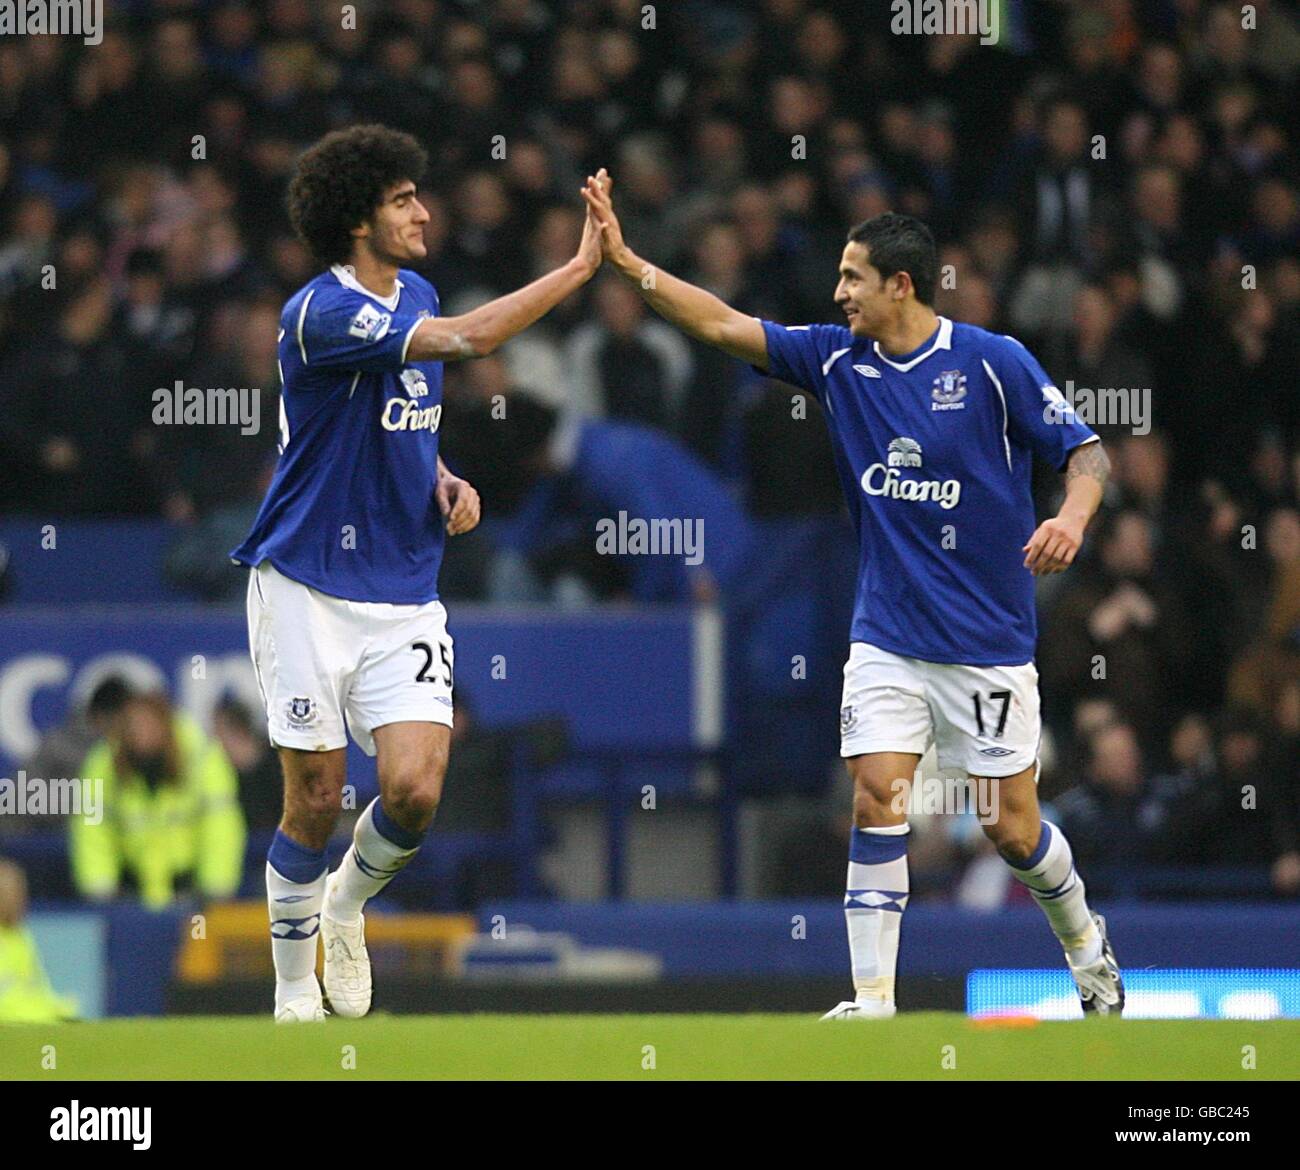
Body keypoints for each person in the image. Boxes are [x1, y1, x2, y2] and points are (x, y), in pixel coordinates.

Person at [582, 174, 1125, 1018]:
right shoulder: (837, 360)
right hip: (886, 635)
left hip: (986, 640)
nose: (837, 294)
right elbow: (725, 325)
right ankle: (872, 998)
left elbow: (1087, 455)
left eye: (851, 278)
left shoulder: (992, 364)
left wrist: (1073, 518)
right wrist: (628, 263)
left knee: (1011, 829)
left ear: (899, 285)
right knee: (877, 794)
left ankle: (1088, 949)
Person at [229, 125, 604, 1022]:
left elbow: (408, 414)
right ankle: (291, 996)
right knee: (316, 797)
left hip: (402, 587)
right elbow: (472, 341)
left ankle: (347, 907)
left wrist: (438, 475)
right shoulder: (318, 313)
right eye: (403, 200)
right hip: (305, 583)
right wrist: (578, 268)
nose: (423, 211)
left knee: (415, 790)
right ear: (359, 218)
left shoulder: (416, 292)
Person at [70, 691, 245, 910]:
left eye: (147, 724)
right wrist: (99, 889)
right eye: (133, 725)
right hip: (128, 898)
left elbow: (221, 828)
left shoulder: (202, 758)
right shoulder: (104, 764)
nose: (139, 732)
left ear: (165, 724)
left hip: (192, 896)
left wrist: (216, 888)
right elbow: (92, 829)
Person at [0, 859, 78, 1023]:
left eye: (21, 893)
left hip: (36, 1018)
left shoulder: (20, 936)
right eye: (10, 893)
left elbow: (37, 989)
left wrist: (57, 1010)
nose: (20, 901)